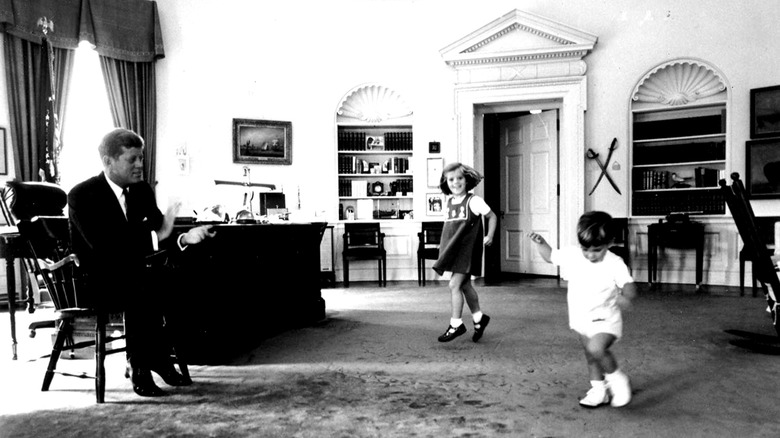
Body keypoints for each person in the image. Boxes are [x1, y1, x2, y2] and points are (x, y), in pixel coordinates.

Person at [69, 128, 216, 397]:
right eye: (132, 159)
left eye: (141, 158)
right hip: (97, 278)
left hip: (134, 274)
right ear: (108, 162)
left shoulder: (141, 191)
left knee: (181, 280)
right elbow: (104, 247)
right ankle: (144, 364)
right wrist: (152, 238)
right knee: (144, 286)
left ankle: (156, 357)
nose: (139, 165)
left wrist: (185, 237)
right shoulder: (82, 195)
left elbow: (161, 229)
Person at [528, 211, 637, 408]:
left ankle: (618, 380)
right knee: (591, 356)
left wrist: (626, 297)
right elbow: (551, 256)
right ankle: (599, 390)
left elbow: (628, 284)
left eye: (596, 250)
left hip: (606, 318)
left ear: (610, 243)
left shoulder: (614, 263)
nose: (590, 254)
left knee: (596, 348)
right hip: (581, 318)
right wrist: (541, 243)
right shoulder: (573, 255)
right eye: (585, 249)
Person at [432, 162, 497, 343]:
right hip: (455, 251)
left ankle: (456, 324)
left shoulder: (474, 201)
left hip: (468, 252)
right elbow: (449, 229)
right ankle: (479, 319)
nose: (456, 182)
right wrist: (443, 247)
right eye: (451, 179)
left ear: (466, 180)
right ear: (446, 182)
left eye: (460, 178)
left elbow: (492, 216)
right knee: (465, 285)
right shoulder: (449, 202)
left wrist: (489, 235)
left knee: (454, 285)